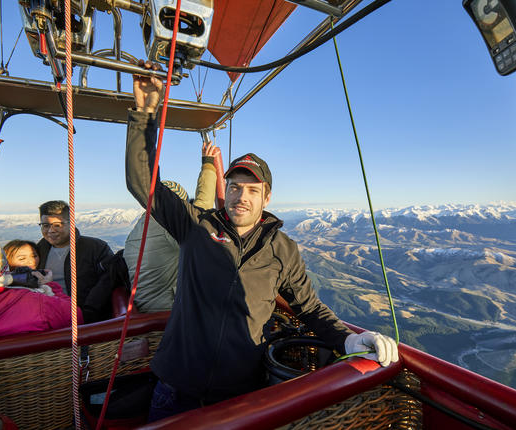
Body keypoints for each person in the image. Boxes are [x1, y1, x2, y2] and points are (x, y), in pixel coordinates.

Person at [125, 61, 399, 421]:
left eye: (252, 190)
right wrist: (145, 113)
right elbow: (142, 183)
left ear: (266, 198)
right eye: (235, 187)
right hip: (178, 387)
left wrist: (347, 340)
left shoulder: (282, 249)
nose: (241, 196)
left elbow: (309, 307)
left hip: (240, 394)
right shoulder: (196, 226)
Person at [123, 141, 219, 312]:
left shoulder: (138, 229)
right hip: (166, 309)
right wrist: (208, 165)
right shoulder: (166, 226)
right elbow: (202, 209)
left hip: (146, 304)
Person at [36, 200, 114, 322]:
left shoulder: (96, 248)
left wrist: (88, 312)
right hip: (46, 315)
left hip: (84, 316)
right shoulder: (37, 251)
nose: (51, 230)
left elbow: (108, 281)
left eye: (57, 225)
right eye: (46, 225)